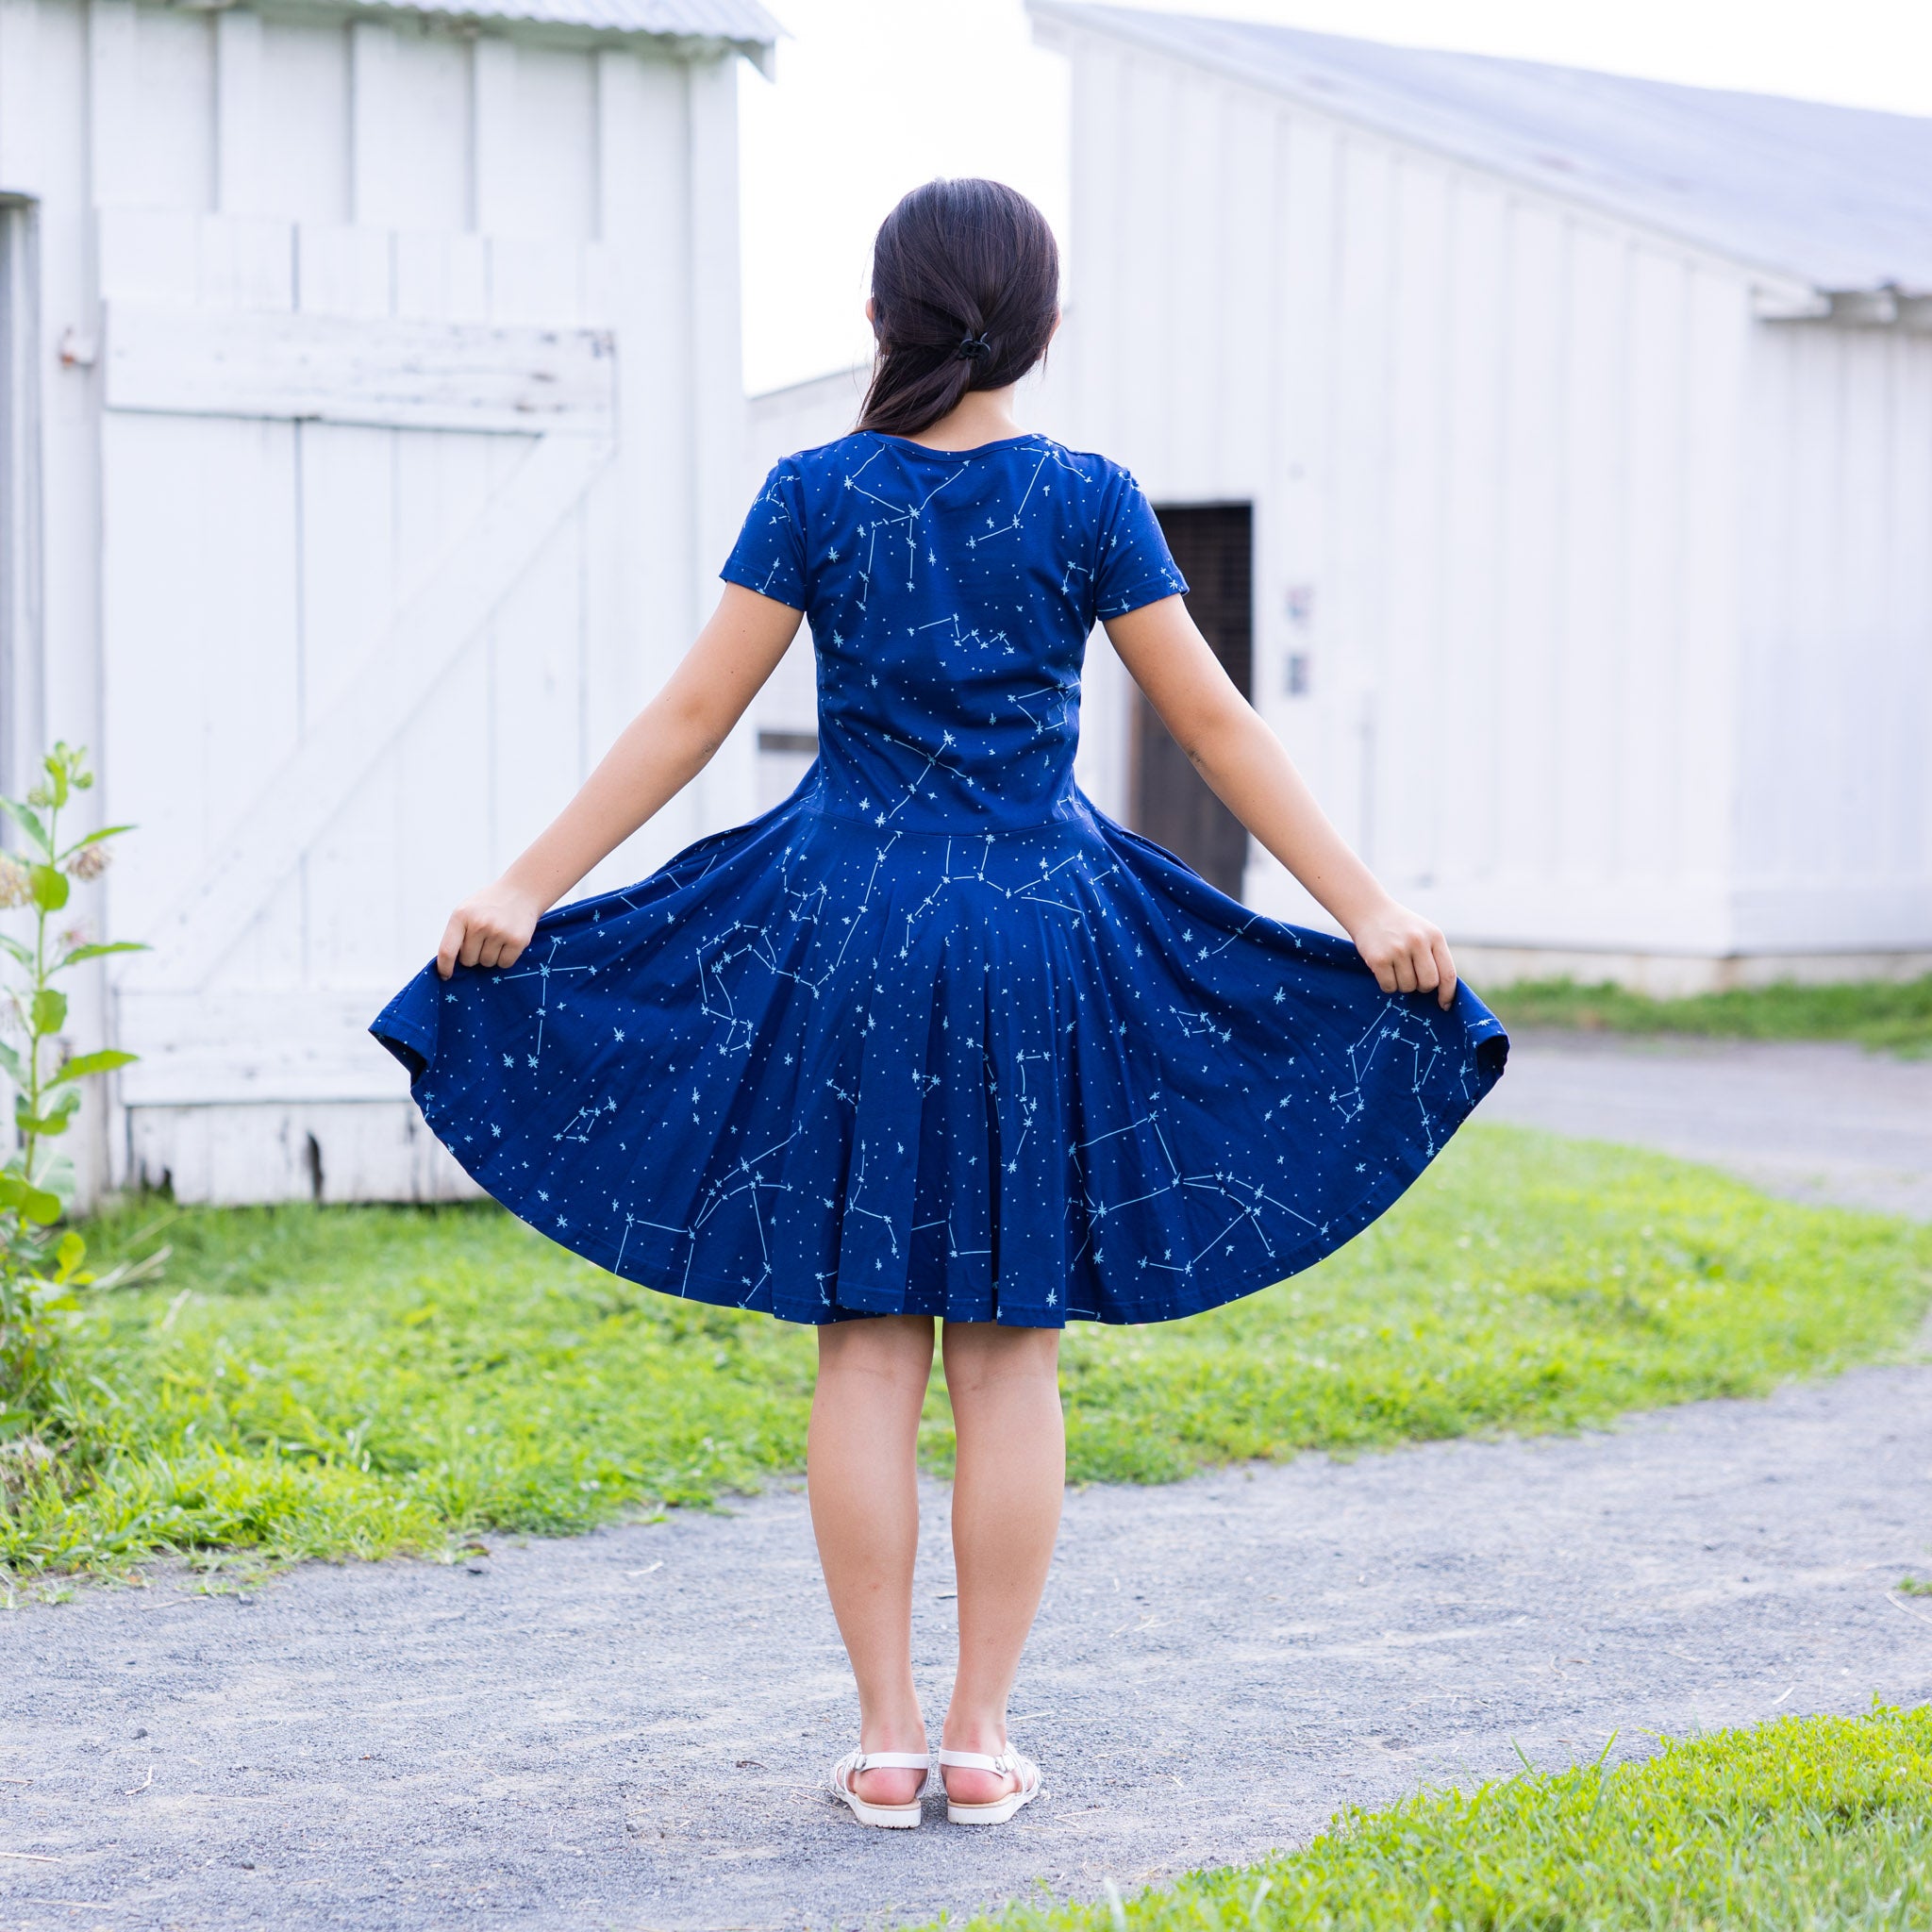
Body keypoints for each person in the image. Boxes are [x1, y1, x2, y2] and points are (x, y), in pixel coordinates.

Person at [373, 177, 1506, 1833]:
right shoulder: (1091, 496)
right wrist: (1371, 907)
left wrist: (526, 884)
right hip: (1038, 939)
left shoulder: (816, 490)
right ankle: (980, 1740)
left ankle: (883, 1737)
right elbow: (1218, 730)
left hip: (848, 938)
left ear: (879, 319)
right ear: (1042, 328)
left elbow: (692, 717)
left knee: (864, 1345)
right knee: (1008, 1355)